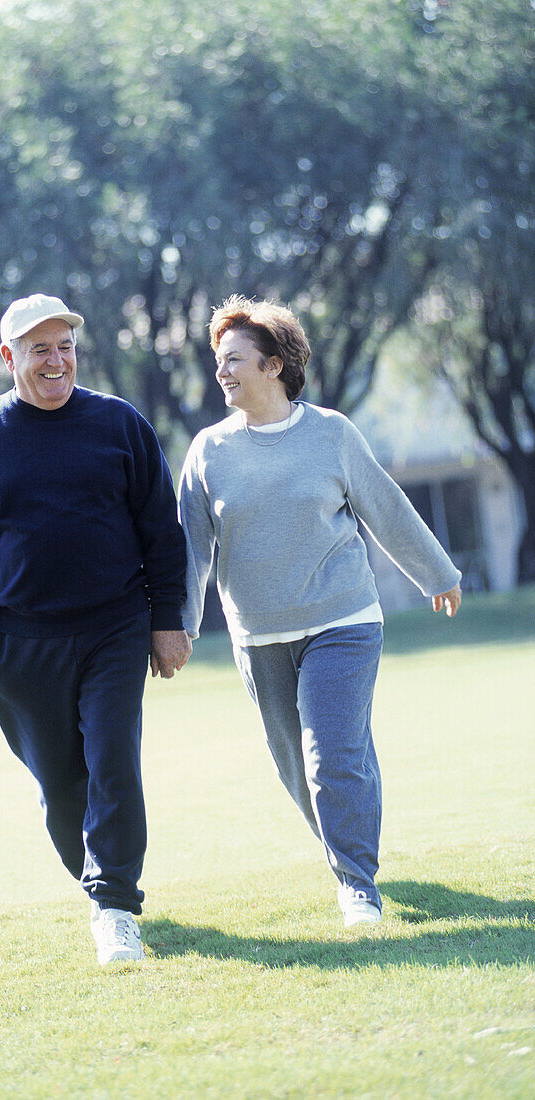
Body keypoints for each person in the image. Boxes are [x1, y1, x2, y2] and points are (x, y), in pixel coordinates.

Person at [178, 295, 462, 928]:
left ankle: (357, 884)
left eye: (235, 360)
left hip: (343, 619)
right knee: (296, 767)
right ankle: (350, 850)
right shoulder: (208, 451)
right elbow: (192, 547)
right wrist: (180, 624)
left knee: (331, 753)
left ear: (274, 365)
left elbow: (383, 506)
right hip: (259, 634)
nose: (222, 372)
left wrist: (436, 572)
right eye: (218, 361)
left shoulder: (330, 433)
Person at [0, 293, 191, 964]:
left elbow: (161, 531)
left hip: (115, 627)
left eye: (66, 346)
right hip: (21, 643)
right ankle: (101, 891)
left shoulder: (118, 423)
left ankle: (114, 906)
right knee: (61, 788)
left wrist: (167, 621)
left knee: (111, 761)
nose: (57, 360)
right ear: (9, 356)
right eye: (40, 348)